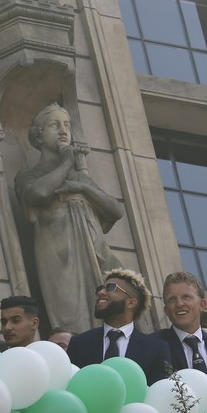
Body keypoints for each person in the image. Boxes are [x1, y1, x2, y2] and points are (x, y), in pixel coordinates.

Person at [15, 103, 124, 337]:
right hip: (59, 254)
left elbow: (116, 210)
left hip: (94, 251)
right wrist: (66, 163)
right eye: (55, 125)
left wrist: (82, 188)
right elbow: (38, 194)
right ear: (39, 136)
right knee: (72, 317)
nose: (63, 131)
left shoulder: (80, 178)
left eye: (67, 125)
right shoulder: (29, 176)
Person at [68, 268, 171, 385]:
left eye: (111, 288)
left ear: (131, 303)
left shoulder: (155, 349)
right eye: (101, 288)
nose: (101, 292)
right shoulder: (79, 343)